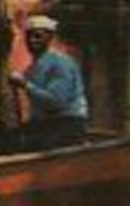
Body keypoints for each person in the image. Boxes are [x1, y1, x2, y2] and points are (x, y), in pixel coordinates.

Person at [9, 14, 89, 150]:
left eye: (38, 36)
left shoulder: (61, 64)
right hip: (46, 123)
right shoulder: (32, 68)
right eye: (28, 37)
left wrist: (25, 85)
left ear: (50, 38)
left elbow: (56, 102)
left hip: (68, 123)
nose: (32, 40)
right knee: (5, 138)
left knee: (26, 145)